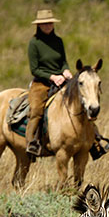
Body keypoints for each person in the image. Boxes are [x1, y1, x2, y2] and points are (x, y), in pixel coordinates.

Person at [26, 9, 73, 156]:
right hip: (41, 83)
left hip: (61, 80)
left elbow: (63, 62)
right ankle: (31, 142)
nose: (47, 26)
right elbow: (35, 69)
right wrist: (52, 77)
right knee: (36, 110)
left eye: (50, 23)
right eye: (44, 23)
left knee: (81, 101)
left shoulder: (58, 41)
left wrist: (66, 71)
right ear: (38, 25)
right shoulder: (34, 43)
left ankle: (94, 140)